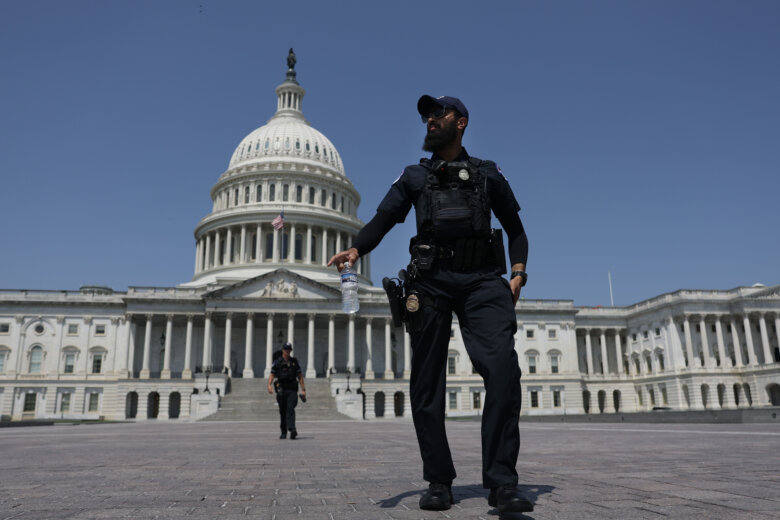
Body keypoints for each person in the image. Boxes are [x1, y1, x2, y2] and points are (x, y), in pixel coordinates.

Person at [328, 95, 532, 513]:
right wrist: (355, 250)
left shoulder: (488, 174)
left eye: (439, 113)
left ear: (462, 122)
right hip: (431, 281)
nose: (430, 119)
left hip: (481, 282)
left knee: (503, 372)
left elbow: (516, 229)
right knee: (426, 386)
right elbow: (383, 220)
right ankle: (439, 480)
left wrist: (517, 273)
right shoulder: (415, 177)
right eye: (426, 115)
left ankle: (502, 483)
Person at [267, 342, 306, 439]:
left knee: (290, 408)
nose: (287, 351)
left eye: (289, 349)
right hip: (281, 389)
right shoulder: (277, 362)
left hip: (292, 389)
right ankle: (283, 431)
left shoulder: (294, 362)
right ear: (282, 350)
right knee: (283, 411)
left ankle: (292, 429)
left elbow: (300, 376)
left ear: (291, 350)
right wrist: (269, 384)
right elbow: (272, 374)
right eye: (285, 349)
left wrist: (303, 390)